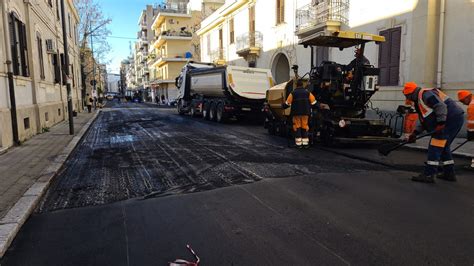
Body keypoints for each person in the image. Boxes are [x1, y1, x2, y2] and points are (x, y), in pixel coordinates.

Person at [403, 82, 464, 183]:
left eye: (407, 96)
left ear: (410, 93)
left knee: (435, 145)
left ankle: (429, 174)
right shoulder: (419, 100)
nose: (407, 98)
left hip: (450, 119)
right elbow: (426, 120)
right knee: (443, 146)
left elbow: (441, 106)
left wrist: (441, 122)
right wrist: (415, 133)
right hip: (452, 118)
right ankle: (449, 173)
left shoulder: (425, 94)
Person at [284, 80, 328, 148]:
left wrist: (282, 106)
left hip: (296, 114)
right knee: (304, 127)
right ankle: (305, 144)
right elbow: (314, 103)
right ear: (302, 85)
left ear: (297, 85)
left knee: (297, 127)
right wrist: (320, 106)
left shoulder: (293, 93)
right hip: (305, 113)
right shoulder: (308, 93)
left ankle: (299, 145)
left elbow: (287, 103)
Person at [457, 90, 474, 168]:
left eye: (463, 101)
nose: (463, 103)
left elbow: (472, 122)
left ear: (467, 97)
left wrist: (470, 133)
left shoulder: (472, 106)